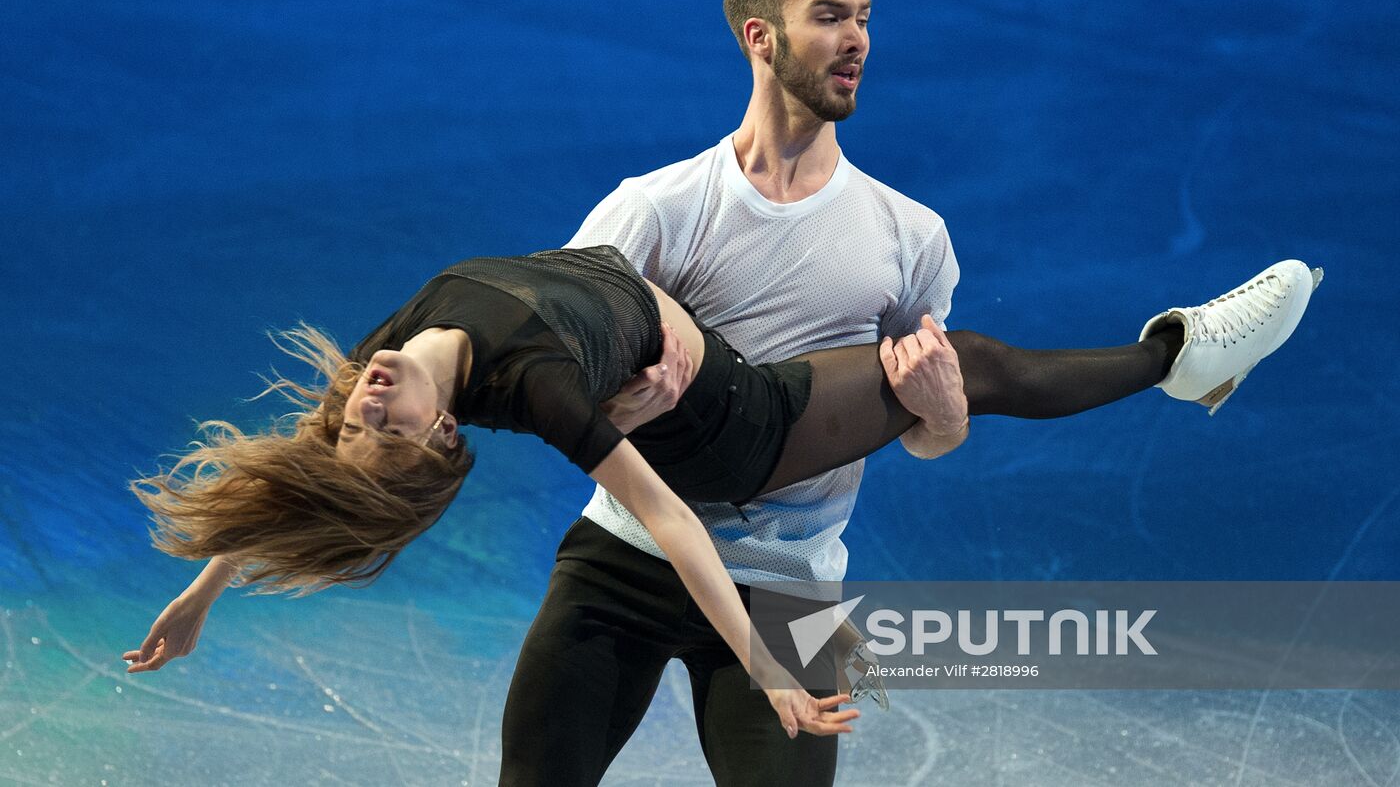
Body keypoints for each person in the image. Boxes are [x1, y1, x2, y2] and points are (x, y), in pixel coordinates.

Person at [496, 0, 1323, 786]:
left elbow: (925, 437)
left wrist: (944, 411)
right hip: (626, 560)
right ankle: (1179, 356)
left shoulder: (907, 236)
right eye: (828, 16)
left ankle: (1181, 355)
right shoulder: (654, 210)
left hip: (788, 592)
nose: (856, 39)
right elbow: (553, 356)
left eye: (863, 17)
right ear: (760, 36)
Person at [123, 242, 982, 738]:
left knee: (972, 374)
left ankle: (1132, 360)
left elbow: (308, 466)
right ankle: (1132, 360)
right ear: (442, 431)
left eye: (357, 421)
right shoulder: (638, 228)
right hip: (660, 535)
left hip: (787, 549)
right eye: (381, 427)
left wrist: (204, 588)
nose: (366, 403)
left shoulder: (371, 373)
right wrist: (770, 668)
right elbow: (670, 518)